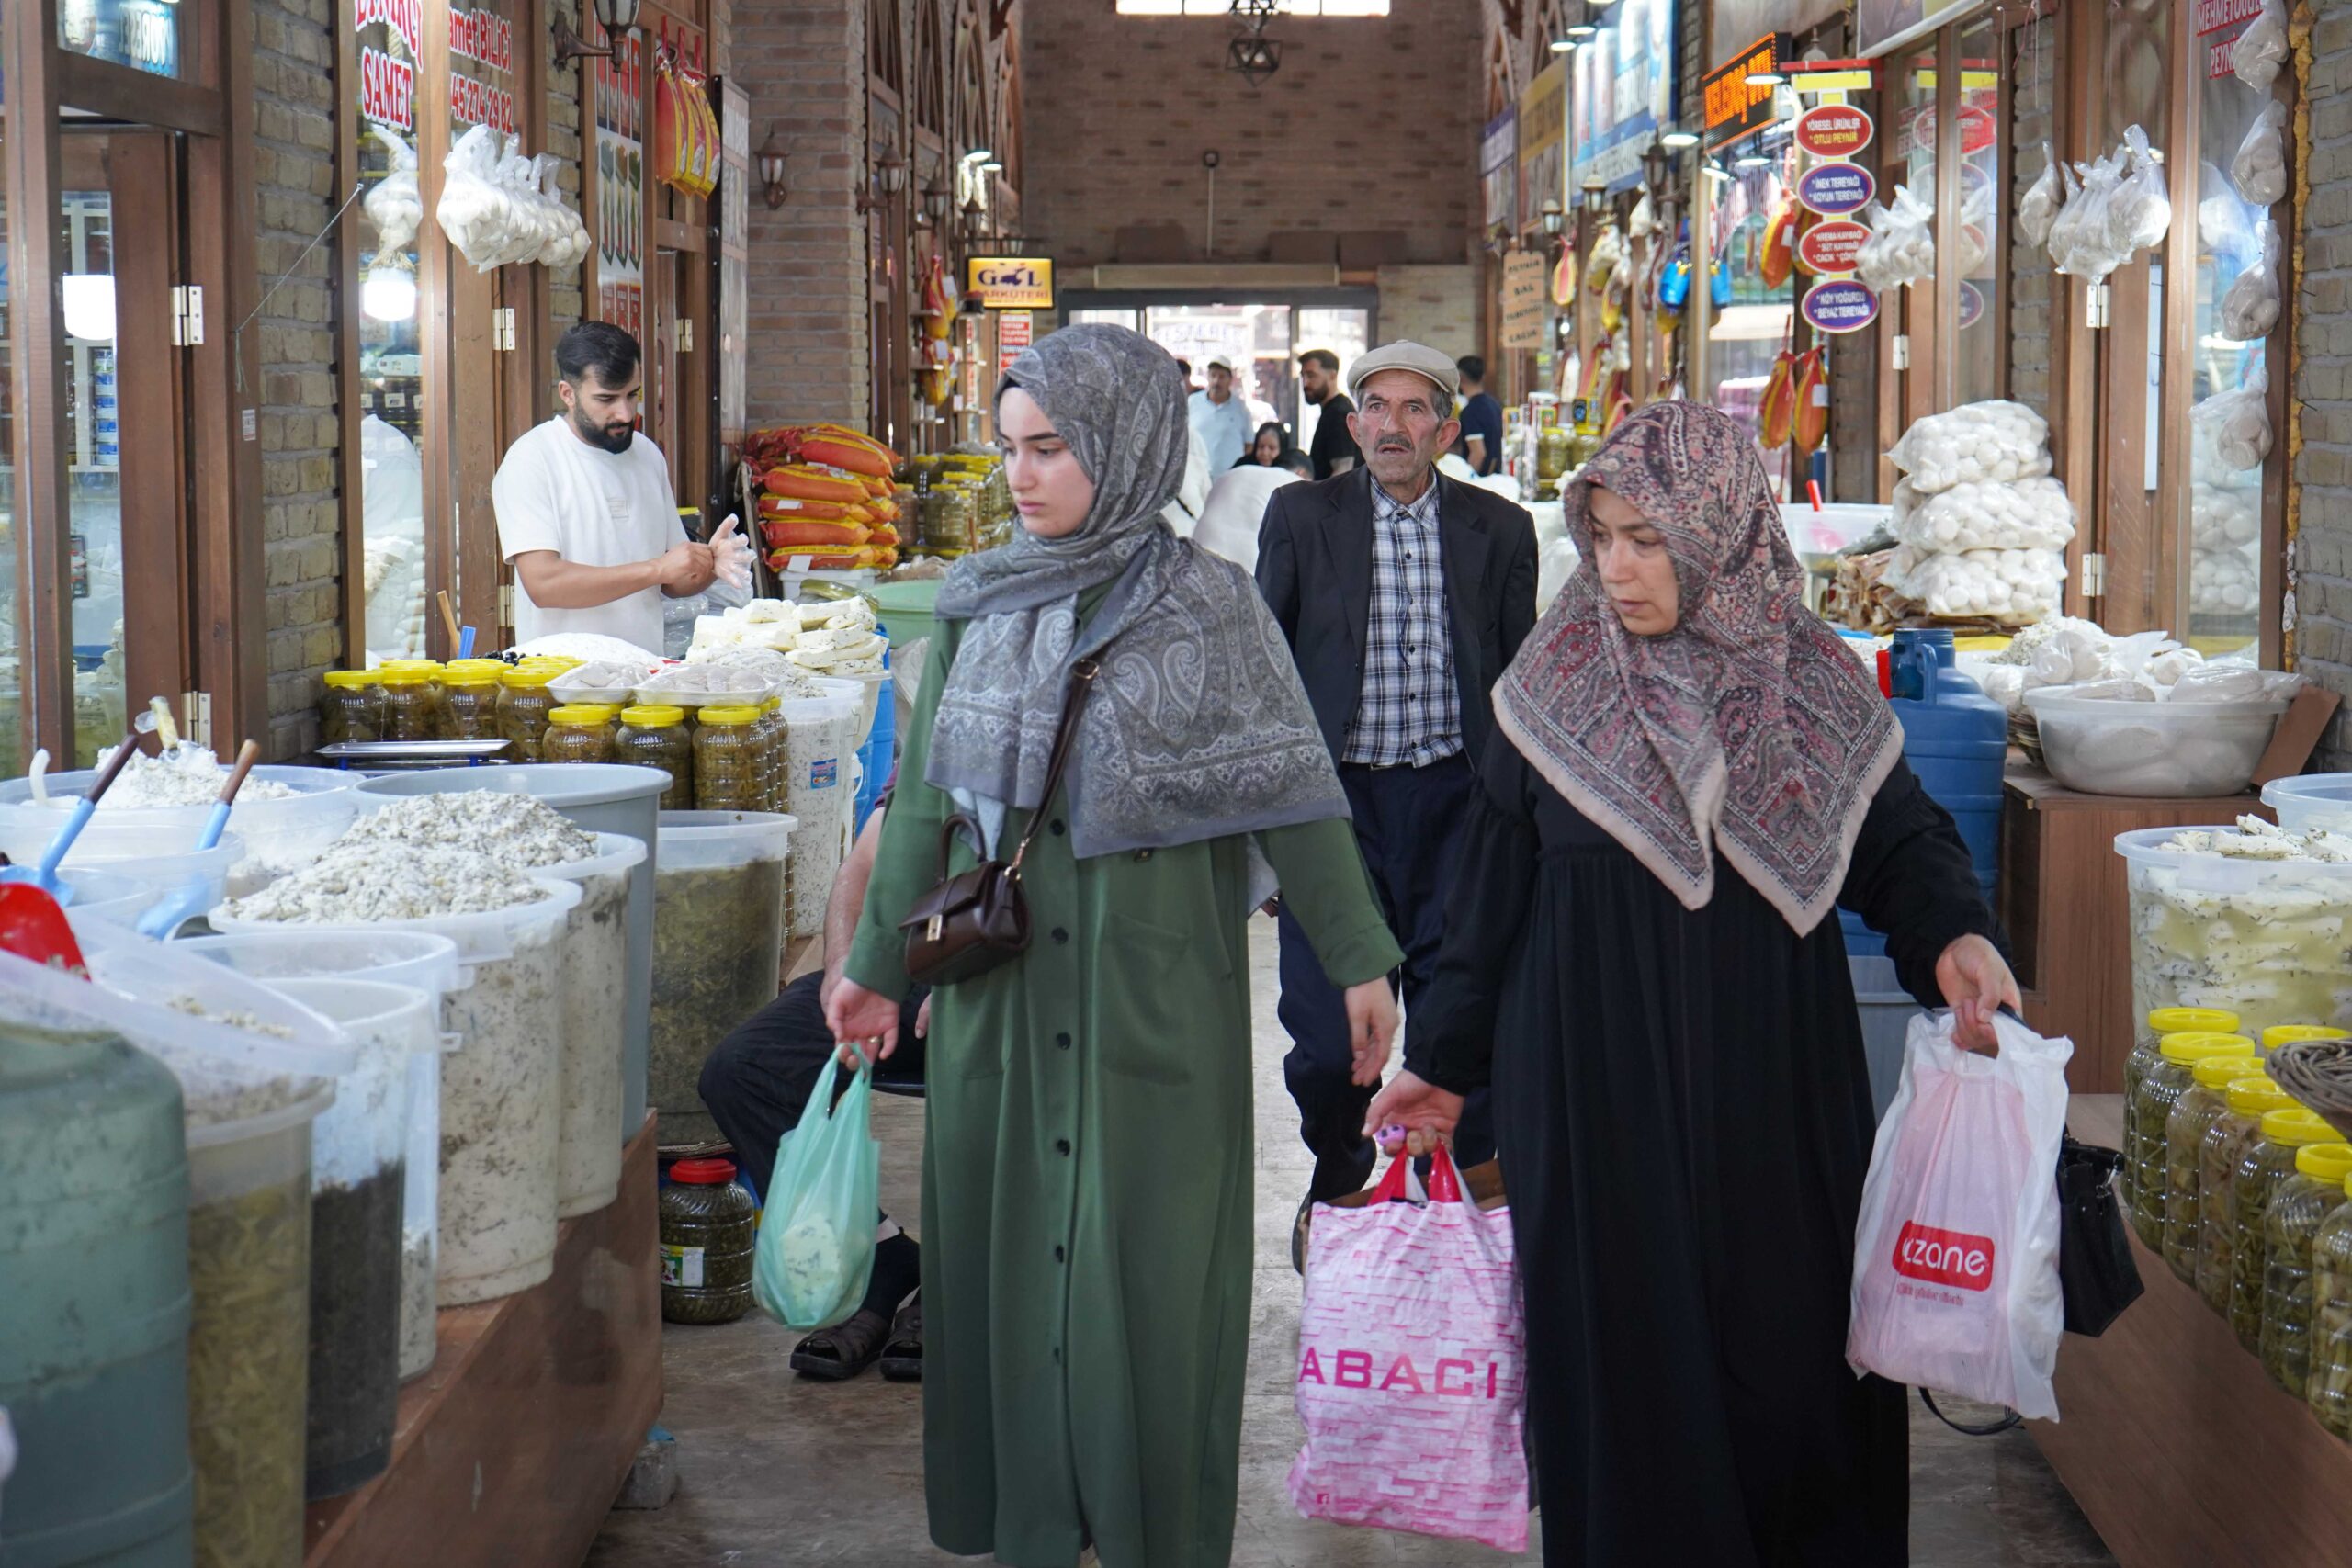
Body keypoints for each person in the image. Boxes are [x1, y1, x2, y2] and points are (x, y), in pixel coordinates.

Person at [1367, 402, 2021, 1567]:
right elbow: (1482, 914)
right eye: (1602, 536)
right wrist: (1439, 1068)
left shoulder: (1806, 680)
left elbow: (1898, 839)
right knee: (1626, 1369)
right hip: (1591, 1093)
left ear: (1720, 531)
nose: (1616, 567)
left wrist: (1953, 935)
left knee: (1792, 1355)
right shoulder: (1551, 686)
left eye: (1648, 539)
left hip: (1772, 1088)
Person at [825, 324, 1403, 1568]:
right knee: (1011, 1270)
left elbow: (1292, 791)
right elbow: (928, 803)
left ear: (1128, 447)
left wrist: (1359, 956)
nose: (1020, 477)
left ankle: (1151, 1528)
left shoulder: (1215, 608)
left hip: (1158, 992)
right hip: (1004, 995)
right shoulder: (979, 602)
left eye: (1050, 449)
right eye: (1010, 450)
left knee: (1152, 1272)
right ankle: (1032, 1518)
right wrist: (873, 965)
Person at [1255, 339, 1537, 1253]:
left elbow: (1516, 682)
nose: (1392, 425)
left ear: (1448, 429)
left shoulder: (1499, 532)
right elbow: (1264, 678)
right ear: (1350, 422)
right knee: (1332, 1040)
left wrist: (1521, 817)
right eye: (1375, 406)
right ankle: (1338, 1170)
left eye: (1416, 409)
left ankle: (1463, 1203)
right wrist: (1264, 837)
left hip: (1461, 809)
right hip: (1333, 818)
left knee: (1465, 1013)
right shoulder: (1301, 518)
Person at [698, 803, 927, 1382]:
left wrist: (980, 982)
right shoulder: (947, 730)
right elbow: (864, 865)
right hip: (904, 964)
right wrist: (844, 967)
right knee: (741, 1070)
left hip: (1019, 978)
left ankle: (964, 1279)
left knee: (986, 1075)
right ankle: (880, 1256)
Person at [492, 322, 733, 651]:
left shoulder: (647, 454)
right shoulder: (532, 459)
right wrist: (656, 568)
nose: (625, 413)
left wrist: (710, 564)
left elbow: (673, 583)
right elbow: (544, 584)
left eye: (633, 395)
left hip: (643, 678)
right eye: (606, 399)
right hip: (560, 685)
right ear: (568, 394)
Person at [1298, 347, 1361, 479]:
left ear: (1332, 375)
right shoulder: (1333, 410)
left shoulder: (1338, 413)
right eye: (1302, 376)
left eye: (1311, 375)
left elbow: (1343, 470)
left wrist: (1320, 500)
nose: (1305, 383)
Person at [1186, 353, 1253, 472]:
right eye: (1213, 375)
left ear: (1230, 380)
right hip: (1197, 474)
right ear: (1208, 377)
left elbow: (1249, 446)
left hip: (1230, 479)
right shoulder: (1193, 402)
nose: (1216, 381)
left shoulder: (1241, 408)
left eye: (1222, 377)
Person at [1454, 354, 1505, 477]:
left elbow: (1478, 453)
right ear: (1482, 377)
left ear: (1460, 377)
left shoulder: (1471, 411)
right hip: (1496, 478)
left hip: (1482, 482)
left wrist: (1466, 482)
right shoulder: (1494, 404)